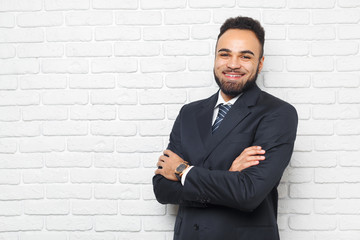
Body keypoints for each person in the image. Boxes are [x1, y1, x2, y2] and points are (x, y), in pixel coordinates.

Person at [153, 16, 298, 240]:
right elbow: (162, 188)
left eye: (245, 56)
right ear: (215, 58)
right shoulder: (189, 113)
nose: (232, 64)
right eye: (225, 54)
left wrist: (183, 171)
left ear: (260, 63)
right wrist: (228, 176)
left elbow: (249, 193)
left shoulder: (277, 114)